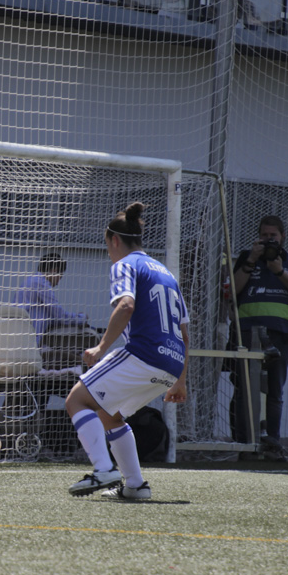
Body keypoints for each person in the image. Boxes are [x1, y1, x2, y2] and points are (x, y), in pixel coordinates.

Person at [64, 202, 188, 500]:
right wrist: (180, 380)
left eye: (108, 246)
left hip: (144, 354)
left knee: (77, 400)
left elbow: (126, 305)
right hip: (170, 363)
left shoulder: (125, 264)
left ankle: (104, 469)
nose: (109, 252)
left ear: (114, 240)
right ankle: (135, 486)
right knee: (110, 415)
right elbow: (184, 331)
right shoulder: (167, 274)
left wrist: (101, 347)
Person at [228, 215, 288, 461]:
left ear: (282, 237)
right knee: (244, 390)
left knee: (275, 391)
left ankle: (273, 444)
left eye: (273, 236)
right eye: (264, 235)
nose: (269, 240)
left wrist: (279, 271)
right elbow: (232, 289)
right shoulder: (246, 258)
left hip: (280, 334)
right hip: (247, 332)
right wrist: (251, 260)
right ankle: (244, 445)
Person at [14, 253, 88, 345]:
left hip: (21, 336)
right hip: (29, 341)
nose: (57, 283)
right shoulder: (42, 284)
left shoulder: (31, 281)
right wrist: (81, 319)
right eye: (60, 277)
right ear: (54, 271)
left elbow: (50, 316)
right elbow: (59, 315)